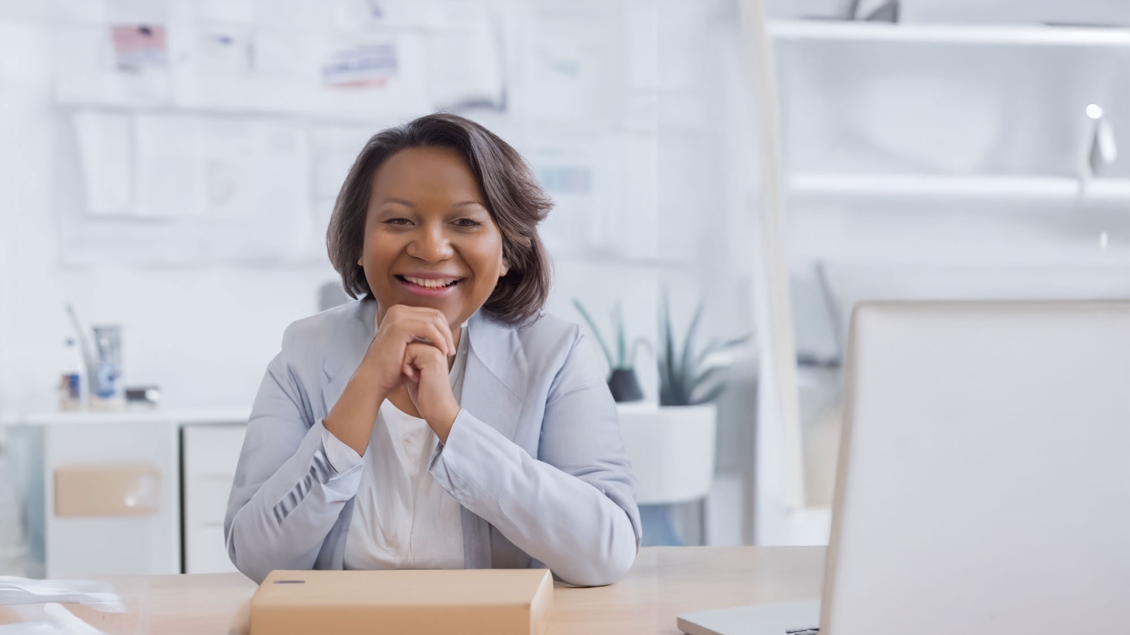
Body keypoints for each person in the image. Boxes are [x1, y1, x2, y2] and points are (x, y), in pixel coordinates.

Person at [224, 113, 641, 586]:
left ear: (506, 252)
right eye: (399, 220)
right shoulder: (303, 354)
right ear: (359, 242)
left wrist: (451, 422)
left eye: (464, 222)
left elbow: (607, 552)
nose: (431, 248)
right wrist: (362, 391)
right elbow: (257, 556)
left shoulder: (556, 355)